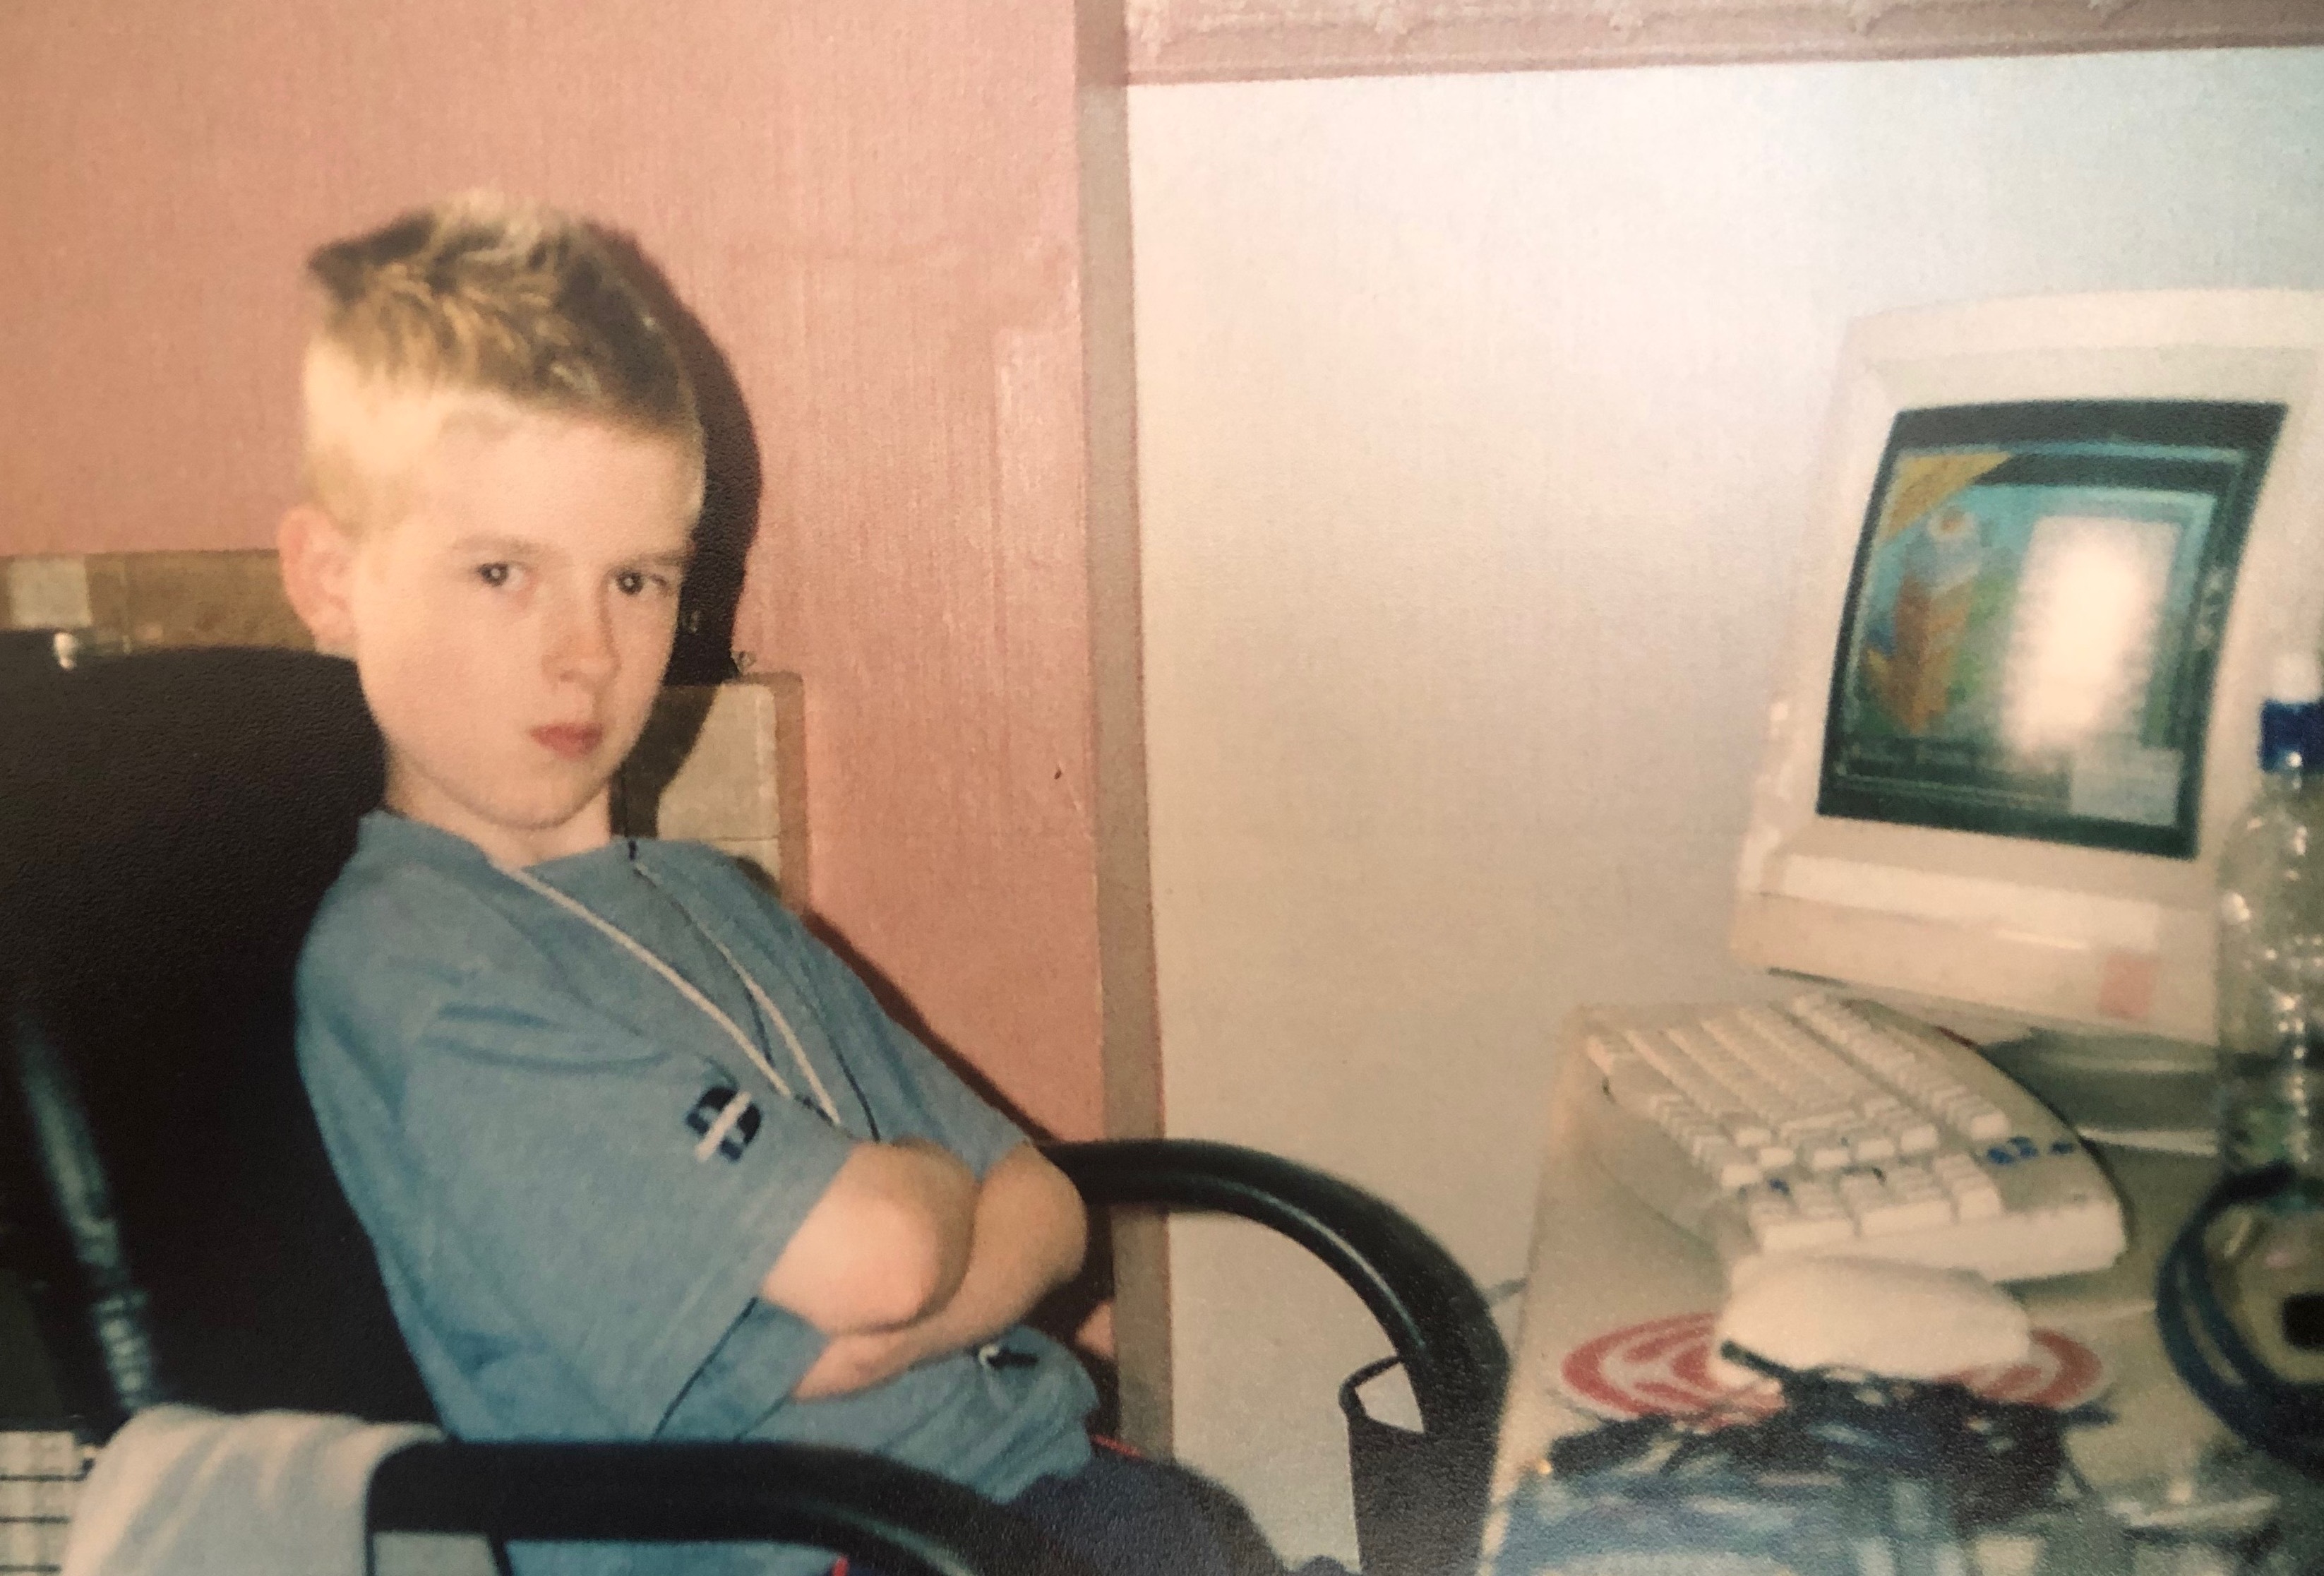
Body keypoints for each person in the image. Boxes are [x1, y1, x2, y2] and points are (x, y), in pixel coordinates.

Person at [279, 194, 1255, 1576]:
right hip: (823, 1552)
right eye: (501, 571)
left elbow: (1040, 1210)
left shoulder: (713, 901)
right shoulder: (418, 962)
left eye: (634, 581)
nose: (585, 652)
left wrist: (900, 1299)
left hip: (1042, 1491)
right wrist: (927, 1216)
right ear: (332, 580)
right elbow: (889, 1253)